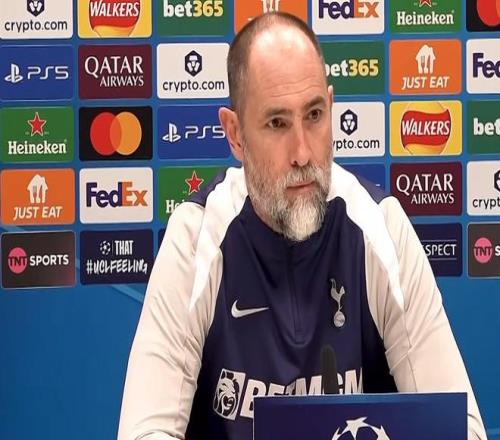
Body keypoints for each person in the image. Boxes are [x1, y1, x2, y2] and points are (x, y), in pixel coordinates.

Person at [117, 12, 486, 440]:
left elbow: (460, 429)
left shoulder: (380, 227)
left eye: (314, 115)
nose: (302, 153)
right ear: (235, 134)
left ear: (331, 106)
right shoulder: (196, 238)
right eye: (277, 123)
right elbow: (145, 431)